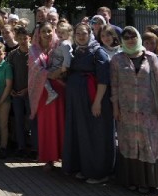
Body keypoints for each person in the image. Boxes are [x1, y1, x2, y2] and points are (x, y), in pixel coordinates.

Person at [112, 26, 158, 193]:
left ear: (137, 37)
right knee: (129, 143)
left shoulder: (151, 58)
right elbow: (114, 86)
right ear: (123, 40)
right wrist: (115, 108)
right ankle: (131, 180)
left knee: (148, 142)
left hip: (148, 110)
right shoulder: (117, 59)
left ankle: (148, 182)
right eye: (126, 37)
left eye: (133, 36)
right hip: (126, 110)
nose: (130, 39)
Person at [62, 22, 114, 183]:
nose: (81, 36)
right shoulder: (76, 51)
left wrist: (97, 102)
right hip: (77, 101)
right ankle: (83, 168)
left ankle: (98, 172)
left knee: (95, 134)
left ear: (90, 33)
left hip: (93, 99)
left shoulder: (98, 53)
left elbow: (103, 80)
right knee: (81, 133)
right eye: (78, 34)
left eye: (84, 33)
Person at [28, 22, 65, 171]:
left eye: (49, 31)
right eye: (44, 31)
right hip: (43, 94)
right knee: (47, 126)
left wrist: (57, 73)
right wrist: (51, 74)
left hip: (60, 91)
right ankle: (49, 159)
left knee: (61, 123)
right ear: (39, 33)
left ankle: (64, 157)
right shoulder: (33, 50)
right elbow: (36, 68)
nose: (47, 34)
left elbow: (66, 63)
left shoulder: (59, 46)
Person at [8, 26, 35, 158]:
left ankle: (35, 147)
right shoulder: (13, 54)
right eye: (19, 38)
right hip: (16, 93)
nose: (22, 41)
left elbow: (36, 75)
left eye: (25, 38)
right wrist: (11, 89)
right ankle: (21, 146)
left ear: (29, 37)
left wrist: (27, 90)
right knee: (18, 120)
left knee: (32, 119)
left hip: (30, 93)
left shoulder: (33, 53)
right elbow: (9, 73)